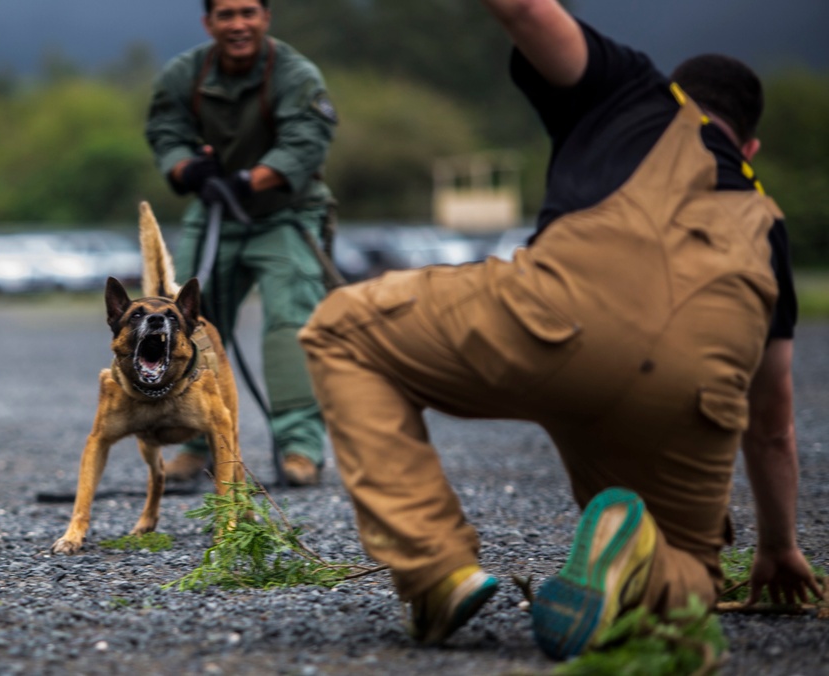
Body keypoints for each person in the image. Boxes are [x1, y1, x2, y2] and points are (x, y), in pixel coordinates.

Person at [298, 0, 824, 659]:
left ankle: (435, 570)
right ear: (749, 148)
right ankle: (648, 561)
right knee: (687, 579)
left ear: (678, 94)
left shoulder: (631, 89)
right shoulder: (769, 226)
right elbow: (772, 416)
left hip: (560, 323)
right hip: (691, 394)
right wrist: (778, 545)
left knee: (343, 329)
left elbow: (524, 10)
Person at [145, 0, 338, 487]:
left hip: (284, 213)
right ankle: (194, 442)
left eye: (248, 12)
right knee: (185, 320)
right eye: (226, 14)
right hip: (212, 212)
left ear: (266, 17)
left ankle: (300, 448)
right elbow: (165, 132)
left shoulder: (295, 74)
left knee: (290, 323)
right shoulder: (183, 73)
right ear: (208, 23)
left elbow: (306, 140)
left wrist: (251, 180)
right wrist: (190, 170)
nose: (238, 24)